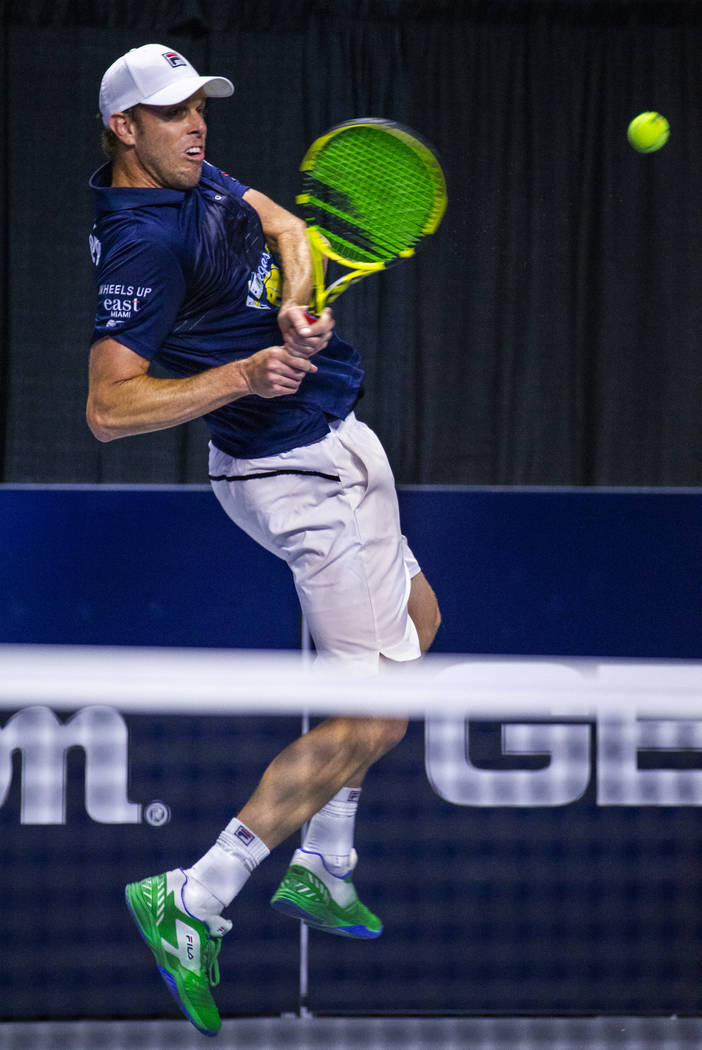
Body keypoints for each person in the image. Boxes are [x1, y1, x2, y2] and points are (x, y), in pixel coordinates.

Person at [87, 43, 441, 1037]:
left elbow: (285, 224)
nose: (196, 125)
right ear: (125, 127)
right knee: (370, 724)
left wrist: (293, 298)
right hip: (301, 476)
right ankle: (197, 896)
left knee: (422, 619)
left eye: (200, 106)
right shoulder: (146, 240)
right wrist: (248, 377)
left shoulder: (196, 177)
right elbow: (109, 409)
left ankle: (326, 863)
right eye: (171, 113)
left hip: (328, 450)